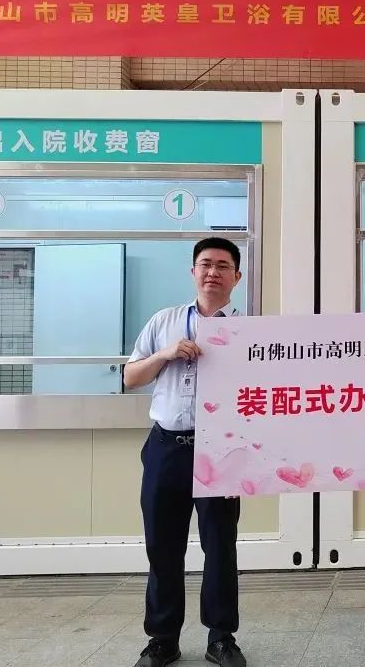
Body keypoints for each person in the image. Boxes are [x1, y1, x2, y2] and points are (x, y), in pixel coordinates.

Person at [124, 237, 247, 667]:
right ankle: (162, 639)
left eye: (223, 266)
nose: (213, 272)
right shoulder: (165, 321)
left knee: (220, 546)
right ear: (193, 271)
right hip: (166, 447)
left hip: (221, 451)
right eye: (205, 264)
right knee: (162, 546)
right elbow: (131, 377)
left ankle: (221, 638)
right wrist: (166, 353)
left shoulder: (249, 330)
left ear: (237, 276)